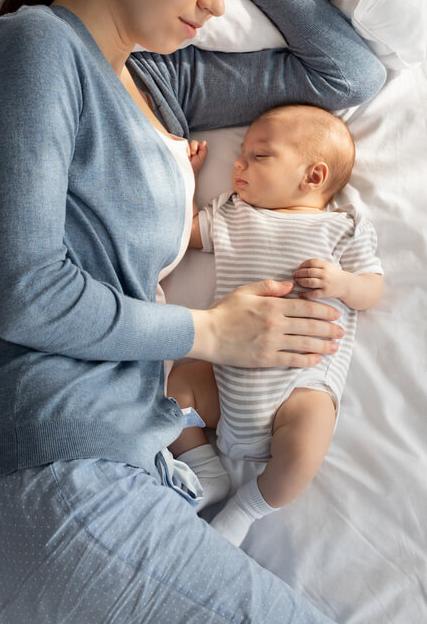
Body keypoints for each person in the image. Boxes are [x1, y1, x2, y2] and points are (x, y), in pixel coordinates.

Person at [0, 0, 385, 623]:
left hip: (120, 469)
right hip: (52, 472)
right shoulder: (35, 50)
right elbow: (23, 294)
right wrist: (211, 334)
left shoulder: (164, 83)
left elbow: (346, 73)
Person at [163, 104, 384, 546]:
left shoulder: (342, 228)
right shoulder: (230, 212)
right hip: (223, 378)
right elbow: (178, 235)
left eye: (260, 156)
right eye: (240, 154)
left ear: (313, 176)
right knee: (176, 384)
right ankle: (206, 469)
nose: (238, 164)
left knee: (307, 440)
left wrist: (341, 282)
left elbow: (371, 288)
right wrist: (186, 185)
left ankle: (249, 506)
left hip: (297, 385)